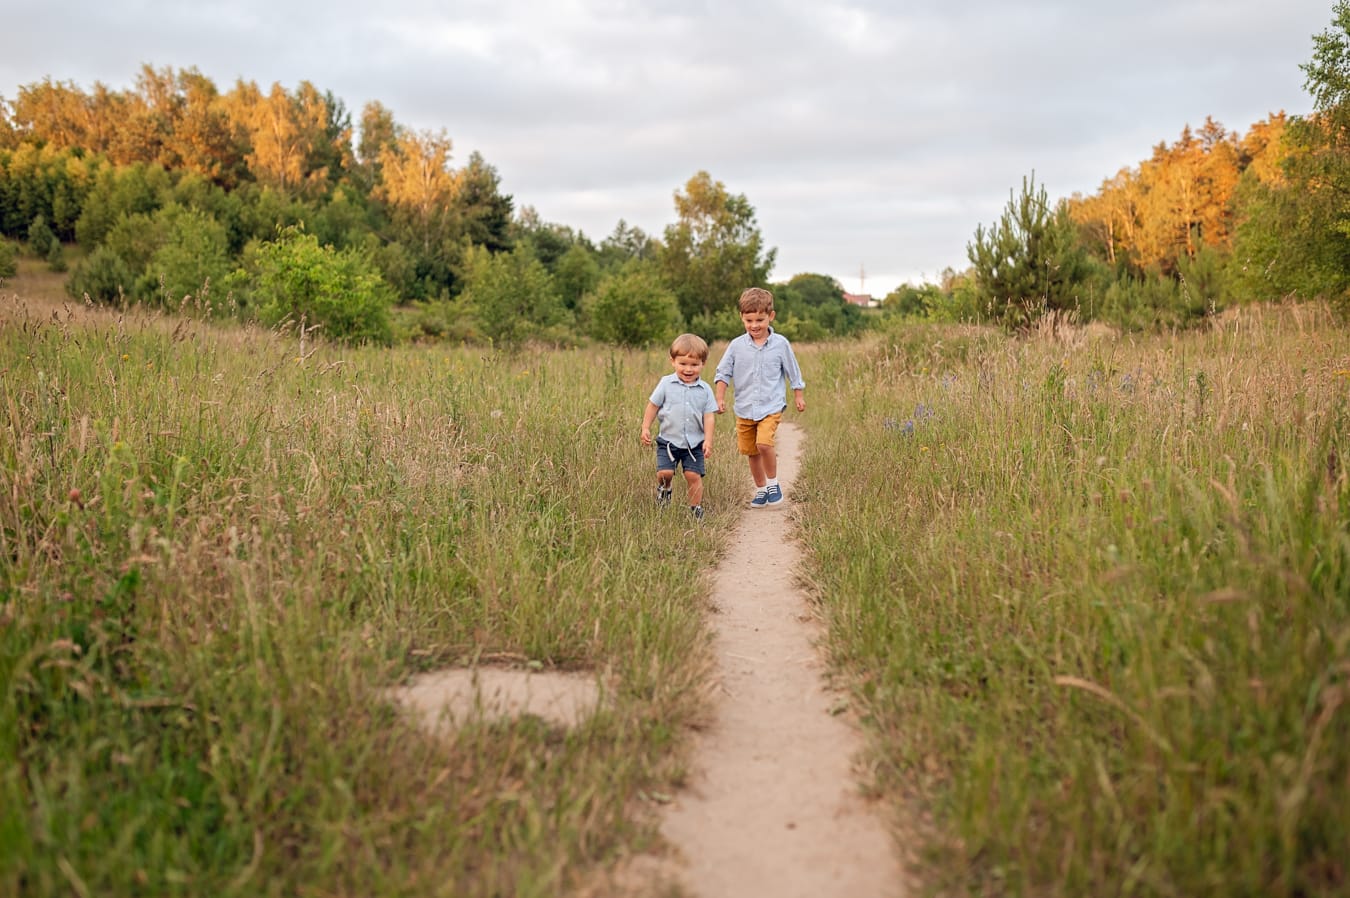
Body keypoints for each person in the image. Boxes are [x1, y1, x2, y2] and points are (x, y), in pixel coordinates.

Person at [713, 287, 805, 508]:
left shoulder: (781, 344)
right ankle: (761, 489)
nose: (754, 325)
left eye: (760, 320)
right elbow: (723, 373)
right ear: (742, 318)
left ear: (770, 316)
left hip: (771, 405)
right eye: (749, 320)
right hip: (744, 408)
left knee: (764, 444)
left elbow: (793, 371)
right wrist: (719, 397)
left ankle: (773, 484)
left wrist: (798, 395)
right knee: (751, 452)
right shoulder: (736, 346)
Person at [641, 333, 718, 521]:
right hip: (668, 441)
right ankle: (664, 492)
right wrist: (645, 427)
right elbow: (653, 405)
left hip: (694, 444)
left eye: (694, 365)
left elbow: (709, 417)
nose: (688, 369)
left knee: (693, 476)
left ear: (703, 364)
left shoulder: (705, 389)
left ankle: (695, 508)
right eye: (683, 363)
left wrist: (708, 440)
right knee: (665, 473)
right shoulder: (666, 384)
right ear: (673, 361)